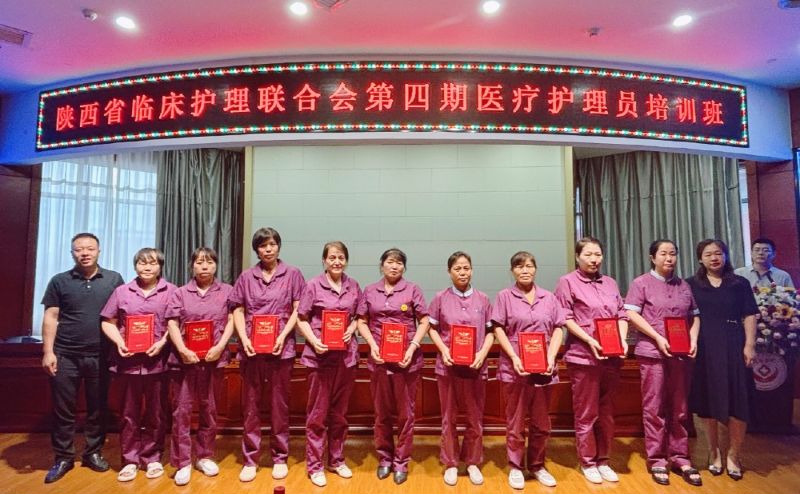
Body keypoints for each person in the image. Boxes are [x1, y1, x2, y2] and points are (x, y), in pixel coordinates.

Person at [40, 233, 124, 484]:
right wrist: (48, 352)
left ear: (99, 251)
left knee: (97, 408)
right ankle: (63, 457)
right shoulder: (59, 281)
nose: (85, 253)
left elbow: (121, 315)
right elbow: (51, 317)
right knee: (63, 410)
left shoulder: (114, 279)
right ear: (72, 253)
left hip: (101, 355)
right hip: (65, 355)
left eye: (90, 248)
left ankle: (92, 453)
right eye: (79, 249)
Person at [229, 227, 305, 482]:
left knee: (279, 406)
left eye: (272, 244)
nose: (268, 249)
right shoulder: (246, 276)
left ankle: (280, 457)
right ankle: (250, 459)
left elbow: (298, 309)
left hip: (281, 351)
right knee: (251, 406)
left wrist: (282, 336)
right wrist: (244, 339)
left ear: (278, 246)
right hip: (251, 351)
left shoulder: (293, 274)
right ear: (257, 250)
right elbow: (238, 310)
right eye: (263, 245)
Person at [624, 240, 702, 486]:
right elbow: (631, 314)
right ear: (652, 257)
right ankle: (657, 459)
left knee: (680, 407)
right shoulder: (641, 283)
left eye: (673, 254)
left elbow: (694, 316)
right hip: (652, 353)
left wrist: (693, 340)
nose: (669, 258)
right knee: (654, 407)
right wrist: (657, 337)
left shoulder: (684, 285)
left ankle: (680, 457)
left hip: (680, 355)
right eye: (663, 254)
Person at [554, 236, 627, 485]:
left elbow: (621, 315)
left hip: (611, 358)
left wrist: (622, 340)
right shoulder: (567, 282)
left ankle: (604, 460)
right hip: (583, 357)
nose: (594, 259)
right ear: (577, 257)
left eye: (597, 254)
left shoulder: (610, 283)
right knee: (587, 413)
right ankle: (587, 461)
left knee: (607, 412)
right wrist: (589, 340)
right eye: (588, 254)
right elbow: (566, 318)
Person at [100, 247, 176, 482]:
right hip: (127, 363)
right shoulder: (121, 292)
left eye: (152, 263)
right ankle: (130, 460)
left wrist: (162, 343)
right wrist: (120, 342)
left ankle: (152, 458)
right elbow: (108, 321)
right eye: (142, 263)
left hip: (158, 363)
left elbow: (177, 323)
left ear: (160, 267)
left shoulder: (172, 291)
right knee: (128, 414)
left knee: (157, 413)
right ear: (135, 266)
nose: (147, 267)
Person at [356, 248, 430, 485]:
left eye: (399, 263)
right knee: (382, 413)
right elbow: (361, 321)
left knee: (406, 415)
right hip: (378, 362)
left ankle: (401, 462)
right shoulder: (370, 290)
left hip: (406, 362)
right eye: (390, 262)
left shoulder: (413, 290)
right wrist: (372, 345)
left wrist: (412, 347)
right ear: (382, 266)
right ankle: (385, 459)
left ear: (404, 267)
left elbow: (425, 321)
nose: (394, 266)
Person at [491, 251, 564, 489]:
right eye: (520, 266)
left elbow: (558, 328)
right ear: (512, 271)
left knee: (541, 423)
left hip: (544, 369)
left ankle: (537, 465)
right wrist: (514, 357)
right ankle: (515, 466)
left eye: (530, 266)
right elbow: (498, 329)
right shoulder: (504, 296)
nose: (525, 270)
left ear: (536, 269)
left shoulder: (549, 298)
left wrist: (551, 356)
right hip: (515, 369)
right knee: (515, 422)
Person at [687, 239, 758, 481]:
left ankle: (734, 455)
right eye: (708, 254)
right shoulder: (691, 284)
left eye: (718, 253)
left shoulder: (739, 283)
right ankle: (714, 451)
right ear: (700, 259)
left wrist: (749, 345)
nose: (714, 258)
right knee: (708, 400)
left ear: (725, 256)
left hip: (734, 343)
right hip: (705, 345)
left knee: (739, 400)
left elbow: (750, 314)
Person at [165, 247, 235, 485]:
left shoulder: (227, 291)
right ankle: (182, 461)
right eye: (199, 262)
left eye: (209, 262)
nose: (204, 266)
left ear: (216, 265)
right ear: (191, 266)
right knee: (182, 412)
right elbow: (172, 324)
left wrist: (220, 346)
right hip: (184, 362)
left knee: (210, 409)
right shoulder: (180, 293)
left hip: (214, 360)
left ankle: (205, 456)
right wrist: (183, 350)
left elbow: (233, 320)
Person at [296, 241, 362, 487]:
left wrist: (351, 329)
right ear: (324, 260)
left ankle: (336, 459)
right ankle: (315, 466)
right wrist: (314, 341)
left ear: (346, 260)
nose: (337, 261)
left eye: (341, 257)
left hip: (346, 359)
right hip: (319, 359)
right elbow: (301, 318)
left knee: (339, 414)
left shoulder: (353, 286)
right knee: (317, 415)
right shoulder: (313, 285)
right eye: (332, 257)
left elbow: (359, 316)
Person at [427, 251, 494, 486]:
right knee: (449, 418)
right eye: (457, 269)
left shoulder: (483, 299)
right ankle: (451, 463)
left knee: (475, 418)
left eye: (466, 268)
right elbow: (432, 328)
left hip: (476, 367)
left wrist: (482, 354)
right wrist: (444, 350)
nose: (462, 272)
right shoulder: (440, 298)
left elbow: (491, 332)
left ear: (472, 270)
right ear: (449, 272)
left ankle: (473, 461)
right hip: (448, 368)